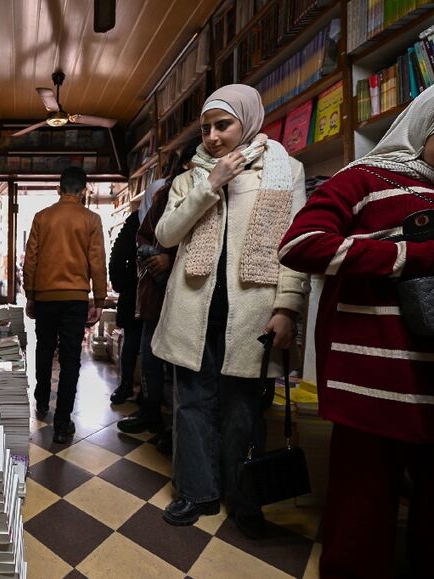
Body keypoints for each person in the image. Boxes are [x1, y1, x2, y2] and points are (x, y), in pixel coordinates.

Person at [279, 86, 434, 578]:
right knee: (360, 523)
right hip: (374, 384)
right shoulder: (363, 177)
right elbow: (300, 244)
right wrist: (406, 255)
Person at [152, 84, 308, 538]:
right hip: (193, 308)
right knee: (192, 404)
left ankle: (245, 499)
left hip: (252, 311)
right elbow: (166, 234)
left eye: (224, 125)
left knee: (244, 409)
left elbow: (294, 246)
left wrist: (288, 306)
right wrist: (210, 184)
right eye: (206, 128)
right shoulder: (190, 175)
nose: (214, 136)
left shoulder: (286, 171)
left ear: (248, 121)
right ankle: (197, 492)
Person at [117, 139, 200, 444]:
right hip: (155, 285)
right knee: (151, 354)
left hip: (187, 287)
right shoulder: (166, 193)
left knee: (181, 361)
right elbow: (145, 233)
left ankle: (177, 426)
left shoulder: (210, 192)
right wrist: (151, 256)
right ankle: (152, 412)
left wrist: (170, 258)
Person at [24, 166, 107, 444]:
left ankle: (41, 401)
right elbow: (97, 261)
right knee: (71, 359)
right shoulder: (91, 219)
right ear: (84, 190)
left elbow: (30, 261)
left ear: (58, 189)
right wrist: (99, 299)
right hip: (75, 298)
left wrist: (31, 295)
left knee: (44, 349)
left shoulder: (42, 218)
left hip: (46, 296)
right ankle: (62, 423)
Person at [108, 208, 142, 405]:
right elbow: (117, 256)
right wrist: (120, 285)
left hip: (145, 292)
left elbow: (116, 255)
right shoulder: (136, 220)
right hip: (134, 291)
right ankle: (129, 384)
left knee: (136, 341)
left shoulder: (136, 219)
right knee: (133, 340)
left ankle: (132, 386)